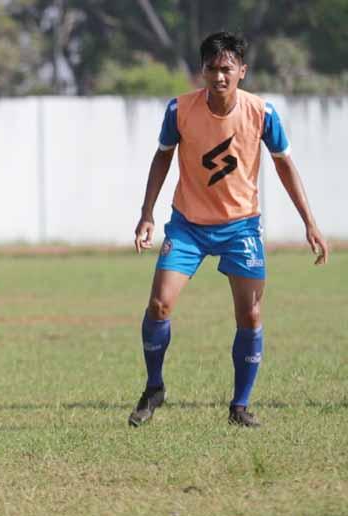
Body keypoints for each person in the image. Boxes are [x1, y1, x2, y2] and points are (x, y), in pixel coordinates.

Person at [130, 32, 329, 428]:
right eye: (211, 68)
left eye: (226, 69)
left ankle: (239, 406)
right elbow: (162, 158)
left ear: (242, 70)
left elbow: (285, 166)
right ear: (201, 70)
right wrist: (147, 213)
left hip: (241, 227)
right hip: (188, 224)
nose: (219, 76)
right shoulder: (179, 110)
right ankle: (154, 388)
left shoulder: (262, 112)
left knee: (250, 315)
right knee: (159, 305)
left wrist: (310, 222)